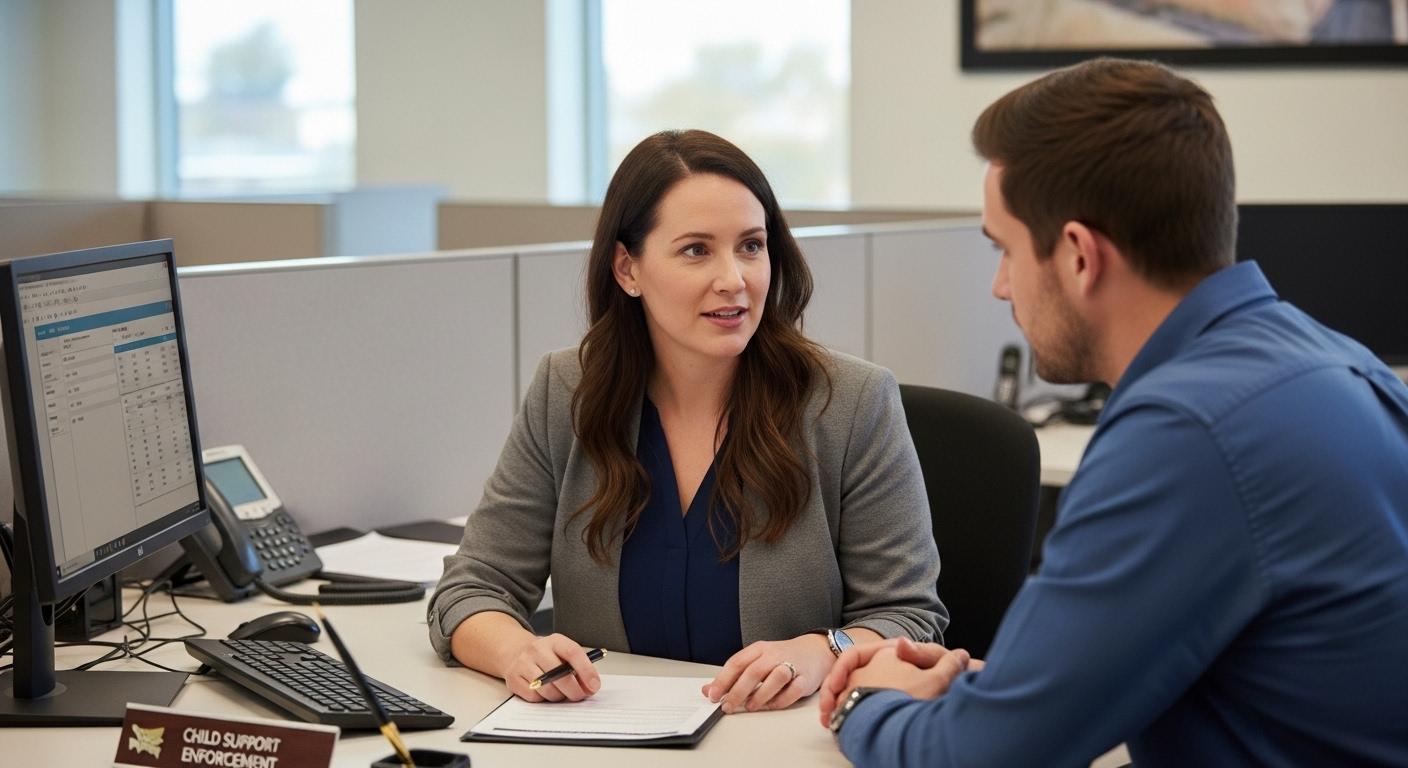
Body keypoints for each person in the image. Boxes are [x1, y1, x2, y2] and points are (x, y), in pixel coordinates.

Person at [820, 58, 1408, 766]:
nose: (1001, 287)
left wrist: (864, 700)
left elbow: (980, 759)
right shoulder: (1334, 362)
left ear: (1077, 256)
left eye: (1004, 251)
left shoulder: (1189, 433)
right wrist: (1020, 689)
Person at [428, 129, 947, 715]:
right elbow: (472, 589)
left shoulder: (850, 403)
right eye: (697, 250)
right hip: (604, 747)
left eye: (751, 246)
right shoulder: (567, 392)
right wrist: (516, 651)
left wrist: (825, 650)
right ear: (628, 269)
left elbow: (910, 618)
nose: (734, 278)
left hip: (776, 744)